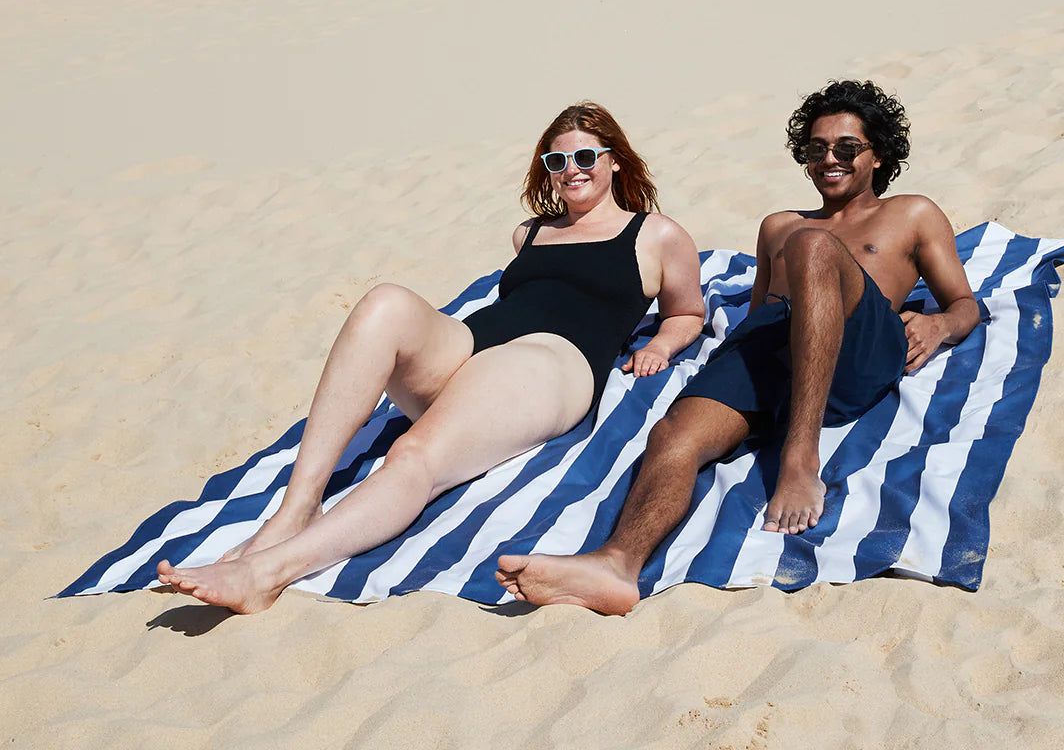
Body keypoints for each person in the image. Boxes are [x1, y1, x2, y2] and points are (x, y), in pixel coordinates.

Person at [157, 102, 705, 614]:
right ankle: (297, 506)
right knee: (384, 302)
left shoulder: (655, 234)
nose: (572, 169)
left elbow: (688, 313)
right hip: (470, 344)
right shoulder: (529, 233)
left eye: (585, 156)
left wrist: (659, 345)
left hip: (547, 362)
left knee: (413, 452)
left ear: (613, 161)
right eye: (557, 160)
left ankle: (266, 573)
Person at [496, 80, 980, 615]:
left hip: (855, 351)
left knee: (815, 244)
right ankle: (617, 564)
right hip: (776, 345)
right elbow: (761, 315)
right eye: (816, 149)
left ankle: (799, 458)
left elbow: (963, 304)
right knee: (674, 435)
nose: (830, 159)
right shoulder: (778, 225)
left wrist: (939, 328)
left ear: (878, 155)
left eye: (847, 148)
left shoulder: (911, 213)